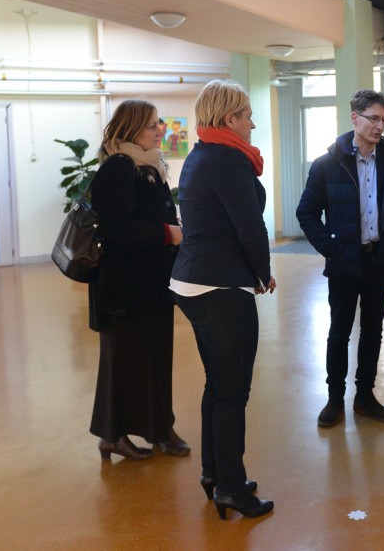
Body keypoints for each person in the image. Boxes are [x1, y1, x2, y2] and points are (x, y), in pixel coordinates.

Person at [170, 80, 276, 520]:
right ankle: (231, 487)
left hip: (193, 281)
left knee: (218, 385)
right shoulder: (229, 159)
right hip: (220, 286)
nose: (252, 124)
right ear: (230, 118)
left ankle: (215, 473)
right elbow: (249, 226)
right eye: (248, 115)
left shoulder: (201, 154)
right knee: (233, 392)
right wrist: (262, 274)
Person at [296, 89, 384, 428]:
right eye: (374, 118)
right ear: (355, 118)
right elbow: (306, 213)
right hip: (344, 261)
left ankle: (365, 397)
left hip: (378, 260)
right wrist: (331, 248)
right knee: (339, 332)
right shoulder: (328, 163)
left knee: (373, 332)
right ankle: (335, 399)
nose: (380, 126)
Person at [88, 99, 189, 461]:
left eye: (159, 123)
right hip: (126, 288)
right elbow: (116, 227)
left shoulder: (147, 166)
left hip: (151, 282)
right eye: (151, 125)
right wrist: (166, 234)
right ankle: (116, 435)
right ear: (131, 130)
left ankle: (156, 429)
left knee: (154, 359)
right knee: (127, 363)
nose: (160, 130)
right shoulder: (118, 168)